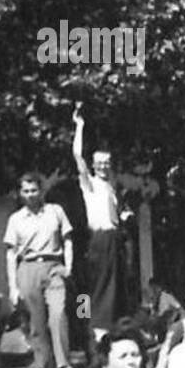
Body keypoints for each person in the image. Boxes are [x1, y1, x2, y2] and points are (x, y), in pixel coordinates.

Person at [3, 172, 73, 368]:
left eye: (34, 190)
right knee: (36, 322)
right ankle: (43, 364)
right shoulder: (15, 219)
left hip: (53, 267)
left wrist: (68, 266)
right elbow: (10, 255)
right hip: (28, 269)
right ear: (20, 193)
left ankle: (63, 365)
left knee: (58, 314)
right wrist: (13, 287)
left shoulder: (55, 211)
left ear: (41, 191)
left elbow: (68, 239)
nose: (30, 195)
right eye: (26, 191)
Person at [73, 104, 128, 340]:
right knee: (100, 288)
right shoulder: (90, 185)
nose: (104, 166)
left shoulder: (112, 187)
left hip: (115, 239)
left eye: (107, 162)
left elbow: (117, 214)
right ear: (93, 165)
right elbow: (77, 156)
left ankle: (112, 332)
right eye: (99, 163)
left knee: (116, 289)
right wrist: (80, 126)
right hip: (100, 240)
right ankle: (95, 333)